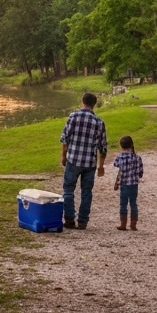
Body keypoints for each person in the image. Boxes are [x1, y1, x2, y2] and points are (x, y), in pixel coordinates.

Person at [59, 92, 107, 229]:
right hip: (89, 163)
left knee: (68, 190)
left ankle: (69, 219)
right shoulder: (99, 122)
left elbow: (65, 140)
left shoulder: (73, 116)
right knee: (86, 192)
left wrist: (64, 156)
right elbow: (102, 147)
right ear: (94, 104)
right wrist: (101, 166)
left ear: (82, 101)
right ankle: (83, 221)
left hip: (73, 159)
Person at [111, 135, 144, 231]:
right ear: (132, 144)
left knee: (123, 204)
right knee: (133, 203)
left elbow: (115, 165)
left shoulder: (120, 157)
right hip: (134, 184)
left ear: (121, 146)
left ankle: (123, 224)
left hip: (124, 184)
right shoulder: (137, 158)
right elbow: (140, 173)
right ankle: (133, 224)